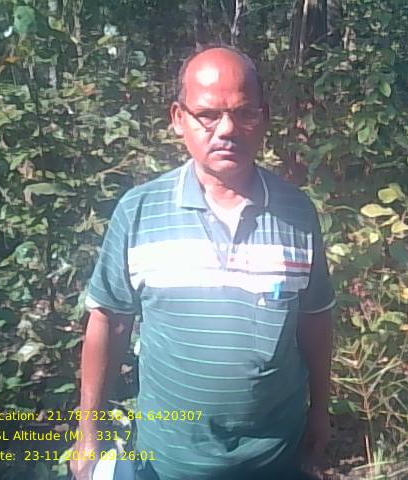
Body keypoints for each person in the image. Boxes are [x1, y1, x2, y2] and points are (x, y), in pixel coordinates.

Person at [69, 45, 335, 480]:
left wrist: (321, 409)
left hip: (275, 456)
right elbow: (109, 322)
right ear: (179, 119)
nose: (227, 129)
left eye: (244, 113)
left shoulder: (297, 214)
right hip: (168, 460)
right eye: (208, 115)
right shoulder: (139, 212)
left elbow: (315, 320)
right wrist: (88, 432)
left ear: (264, 119)